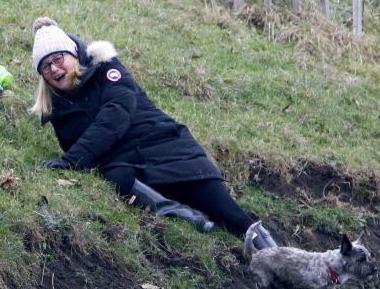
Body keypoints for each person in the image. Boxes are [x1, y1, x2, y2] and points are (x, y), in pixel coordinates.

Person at [29, 16, 276, 249]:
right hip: (129, 165)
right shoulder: (58, 108)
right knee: (116, 178)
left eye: (58, 58)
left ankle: (290, 272)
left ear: (73, 54)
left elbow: (115, 117)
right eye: (46, 66)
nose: (53, 68)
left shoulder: (108, 71)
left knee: (232, 217)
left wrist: (71, 161)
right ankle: (190, 219)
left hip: (171, 151)